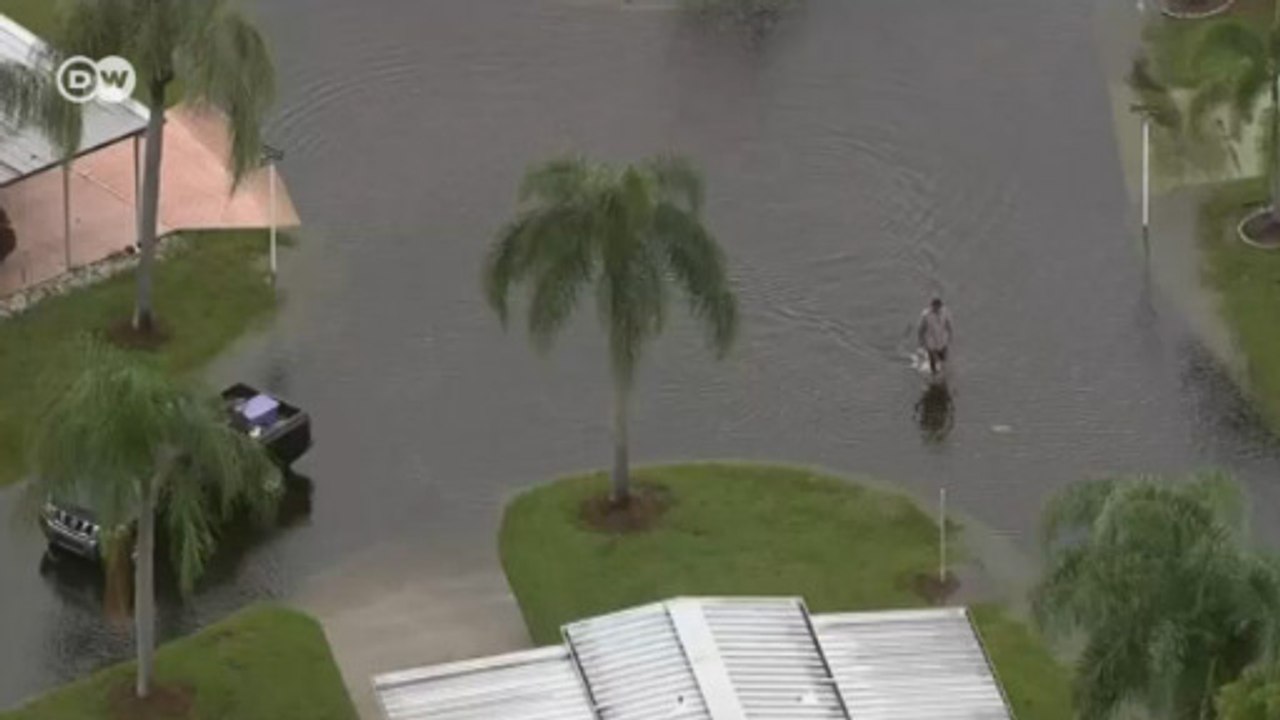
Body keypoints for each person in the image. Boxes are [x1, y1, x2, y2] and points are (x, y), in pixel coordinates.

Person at [917, 297, 952, 375]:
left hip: (942, 339)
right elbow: (921, 328)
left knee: (943, 358)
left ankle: (942, 373)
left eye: (938, 306)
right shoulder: (925, 314)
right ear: (932, 306)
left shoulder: (945, 312)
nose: (937, 308)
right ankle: (934, 374)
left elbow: (949, 324)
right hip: (930, 341)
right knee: (932, 359)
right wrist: (921, 341)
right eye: (935, 306)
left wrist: (950, 336)